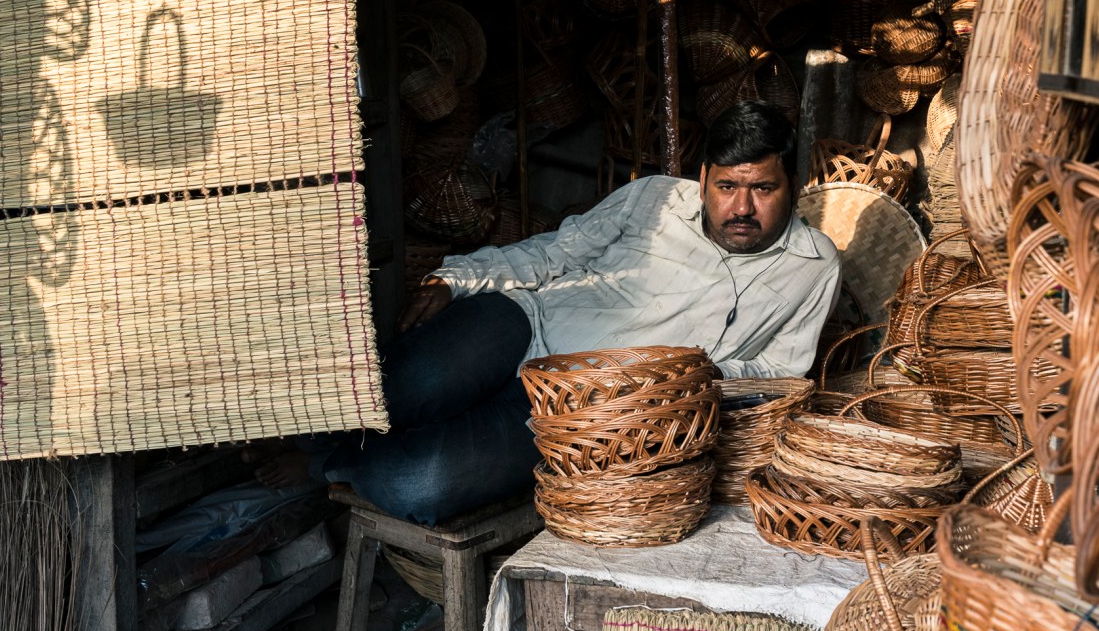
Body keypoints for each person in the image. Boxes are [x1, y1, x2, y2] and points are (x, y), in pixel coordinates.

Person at [251, 100, 841, 525]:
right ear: (704, 177)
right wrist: (459, 278)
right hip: (527, 323)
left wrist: (678, 380)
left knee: (422, 483)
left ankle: (328, 466)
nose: (742, 208)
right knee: (411, 383)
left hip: (582, 412)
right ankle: (309, 435)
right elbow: (558, 252)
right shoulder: (655, 198)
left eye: (763, 189)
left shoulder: (814, 265)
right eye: (726, 187)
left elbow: (780, 373)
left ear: (792, 185)